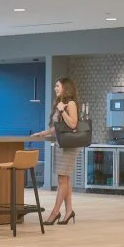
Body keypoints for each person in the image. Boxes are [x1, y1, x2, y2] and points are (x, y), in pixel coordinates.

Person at [31, 77, 80, 226]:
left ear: (65, 88)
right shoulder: (62, 104)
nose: (55, 88)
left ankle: (55, 212)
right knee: (65, 179)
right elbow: (58, 127)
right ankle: (69, 211)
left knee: (61, 179)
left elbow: (73, 124)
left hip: (68, 147)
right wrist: (44, 133)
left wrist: (62, 110)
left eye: (57, 86)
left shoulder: (70, 104)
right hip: (61, 144)